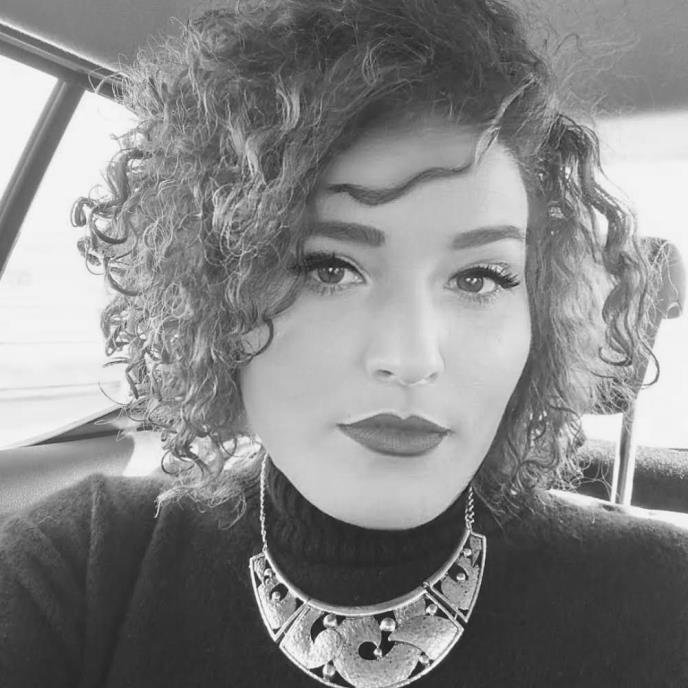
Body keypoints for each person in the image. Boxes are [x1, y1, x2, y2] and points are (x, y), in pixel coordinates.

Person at [1, 0, 687, 685]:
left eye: (480, 277)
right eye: (328, 268)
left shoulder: (660, 602)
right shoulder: (76, 569)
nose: (412, 358)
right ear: (214, 290)